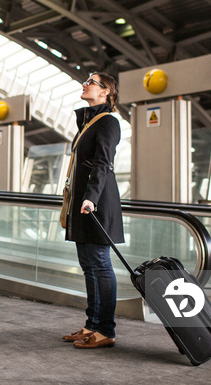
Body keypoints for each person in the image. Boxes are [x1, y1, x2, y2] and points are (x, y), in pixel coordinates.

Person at [62, 71, 124, 349]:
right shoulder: (88, 122)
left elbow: (103, 163)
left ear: (106, 92)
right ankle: (92, 326)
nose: (84, 84)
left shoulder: (108, 122)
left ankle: (106, 330)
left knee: (100, 265)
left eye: (91, 82)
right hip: (84, 203)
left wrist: (90, 198)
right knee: (89, 266)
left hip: (95, 203)